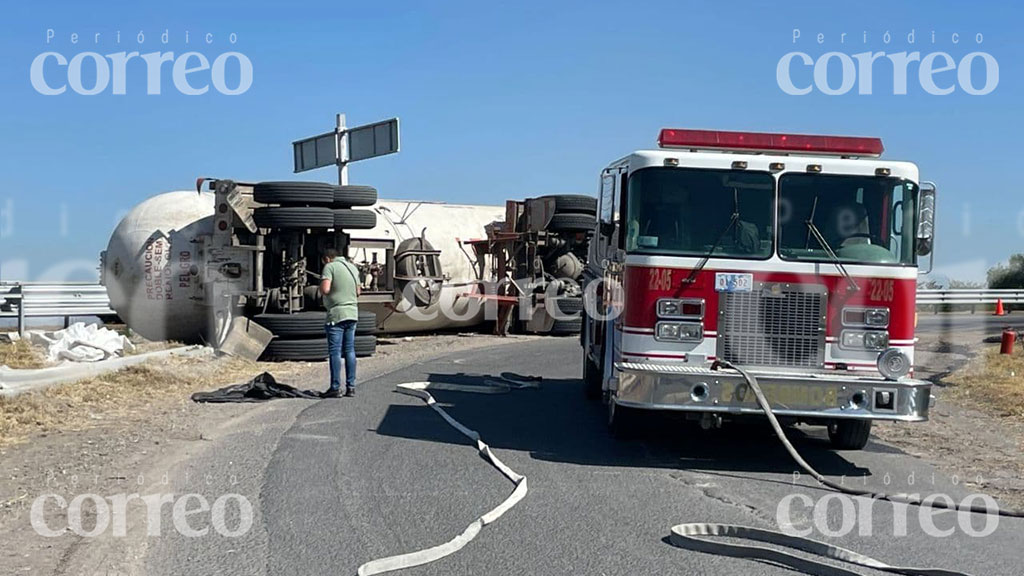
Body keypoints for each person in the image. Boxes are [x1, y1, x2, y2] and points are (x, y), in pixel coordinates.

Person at [319, 247, 361, 398]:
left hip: (336, 315)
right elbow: (358, 292)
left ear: (327, 259)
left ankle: (335, 387)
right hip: (352, 313)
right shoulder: (352, 267)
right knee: (349, 350)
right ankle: (351, 387)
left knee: (335, 352)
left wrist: (320, 287)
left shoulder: (330, 267)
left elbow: (325, 289)